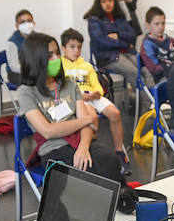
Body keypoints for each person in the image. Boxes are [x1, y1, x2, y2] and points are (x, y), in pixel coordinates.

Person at [14, 33, 124, 182]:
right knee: (92, 173)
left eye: (57, 53)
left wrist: (84, 147)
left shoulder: (69, 83)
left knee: (110, 159)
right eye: (49, 55)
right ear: (35, 59)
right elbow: (48, 131)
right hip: (54, 149)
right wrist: (85, 120)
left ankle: (121, 202)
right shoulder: (26, 92)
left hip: (81, 141)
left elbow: (87, 125)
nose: (56, 59)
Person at [59, 27, 132, 176]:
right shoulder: (61, 66)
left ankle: (119, 152)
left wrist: (97, 92)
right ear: (63, 48)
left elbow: (96, 82)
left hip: (93, 96)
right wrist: (81, 96)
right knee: (91, 117)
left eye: (79, 47)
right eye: (72, 47)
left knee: (115, 113)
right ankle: (93, 150)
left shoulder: (86, 65)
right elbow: (63, 90)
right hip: (78, 100)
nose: (76, 50)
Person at [83, 0, 141, 93]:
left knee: (145, 70)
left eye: (110, 0)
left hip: (127, 52)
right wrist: (125, 43)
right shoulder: (94, 21)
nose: (108, 4)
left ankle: (152, 102)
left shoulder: (119, 17)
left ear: (114, 2)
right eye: (104, 1)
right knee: (134, 72)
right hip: (108, 57)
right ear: (99, 4)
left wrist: (118, 35)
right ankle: (147, 104)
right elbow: (102, 41)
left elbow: (132, 35)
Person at [138, 6, 174, 85]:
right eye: (157, 24)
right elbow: (154, 69)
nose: (161, 27)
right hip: (159, 79)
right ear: (148, 25)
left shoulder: (171, 40)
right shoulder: (147, 45)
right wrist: (173, 68)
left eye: (163, 23)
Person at [4, 9, 36, 83]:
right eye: (22, 22)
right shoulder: (12, 42)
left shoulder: (38, 37)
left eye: (29, 21)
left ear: (33, 23)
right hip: (16, 73)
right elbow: (14, 67)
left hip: (34, 70)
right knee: (33, 81)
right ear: (17, 25)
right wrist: (32, 71)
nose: (26, 24)